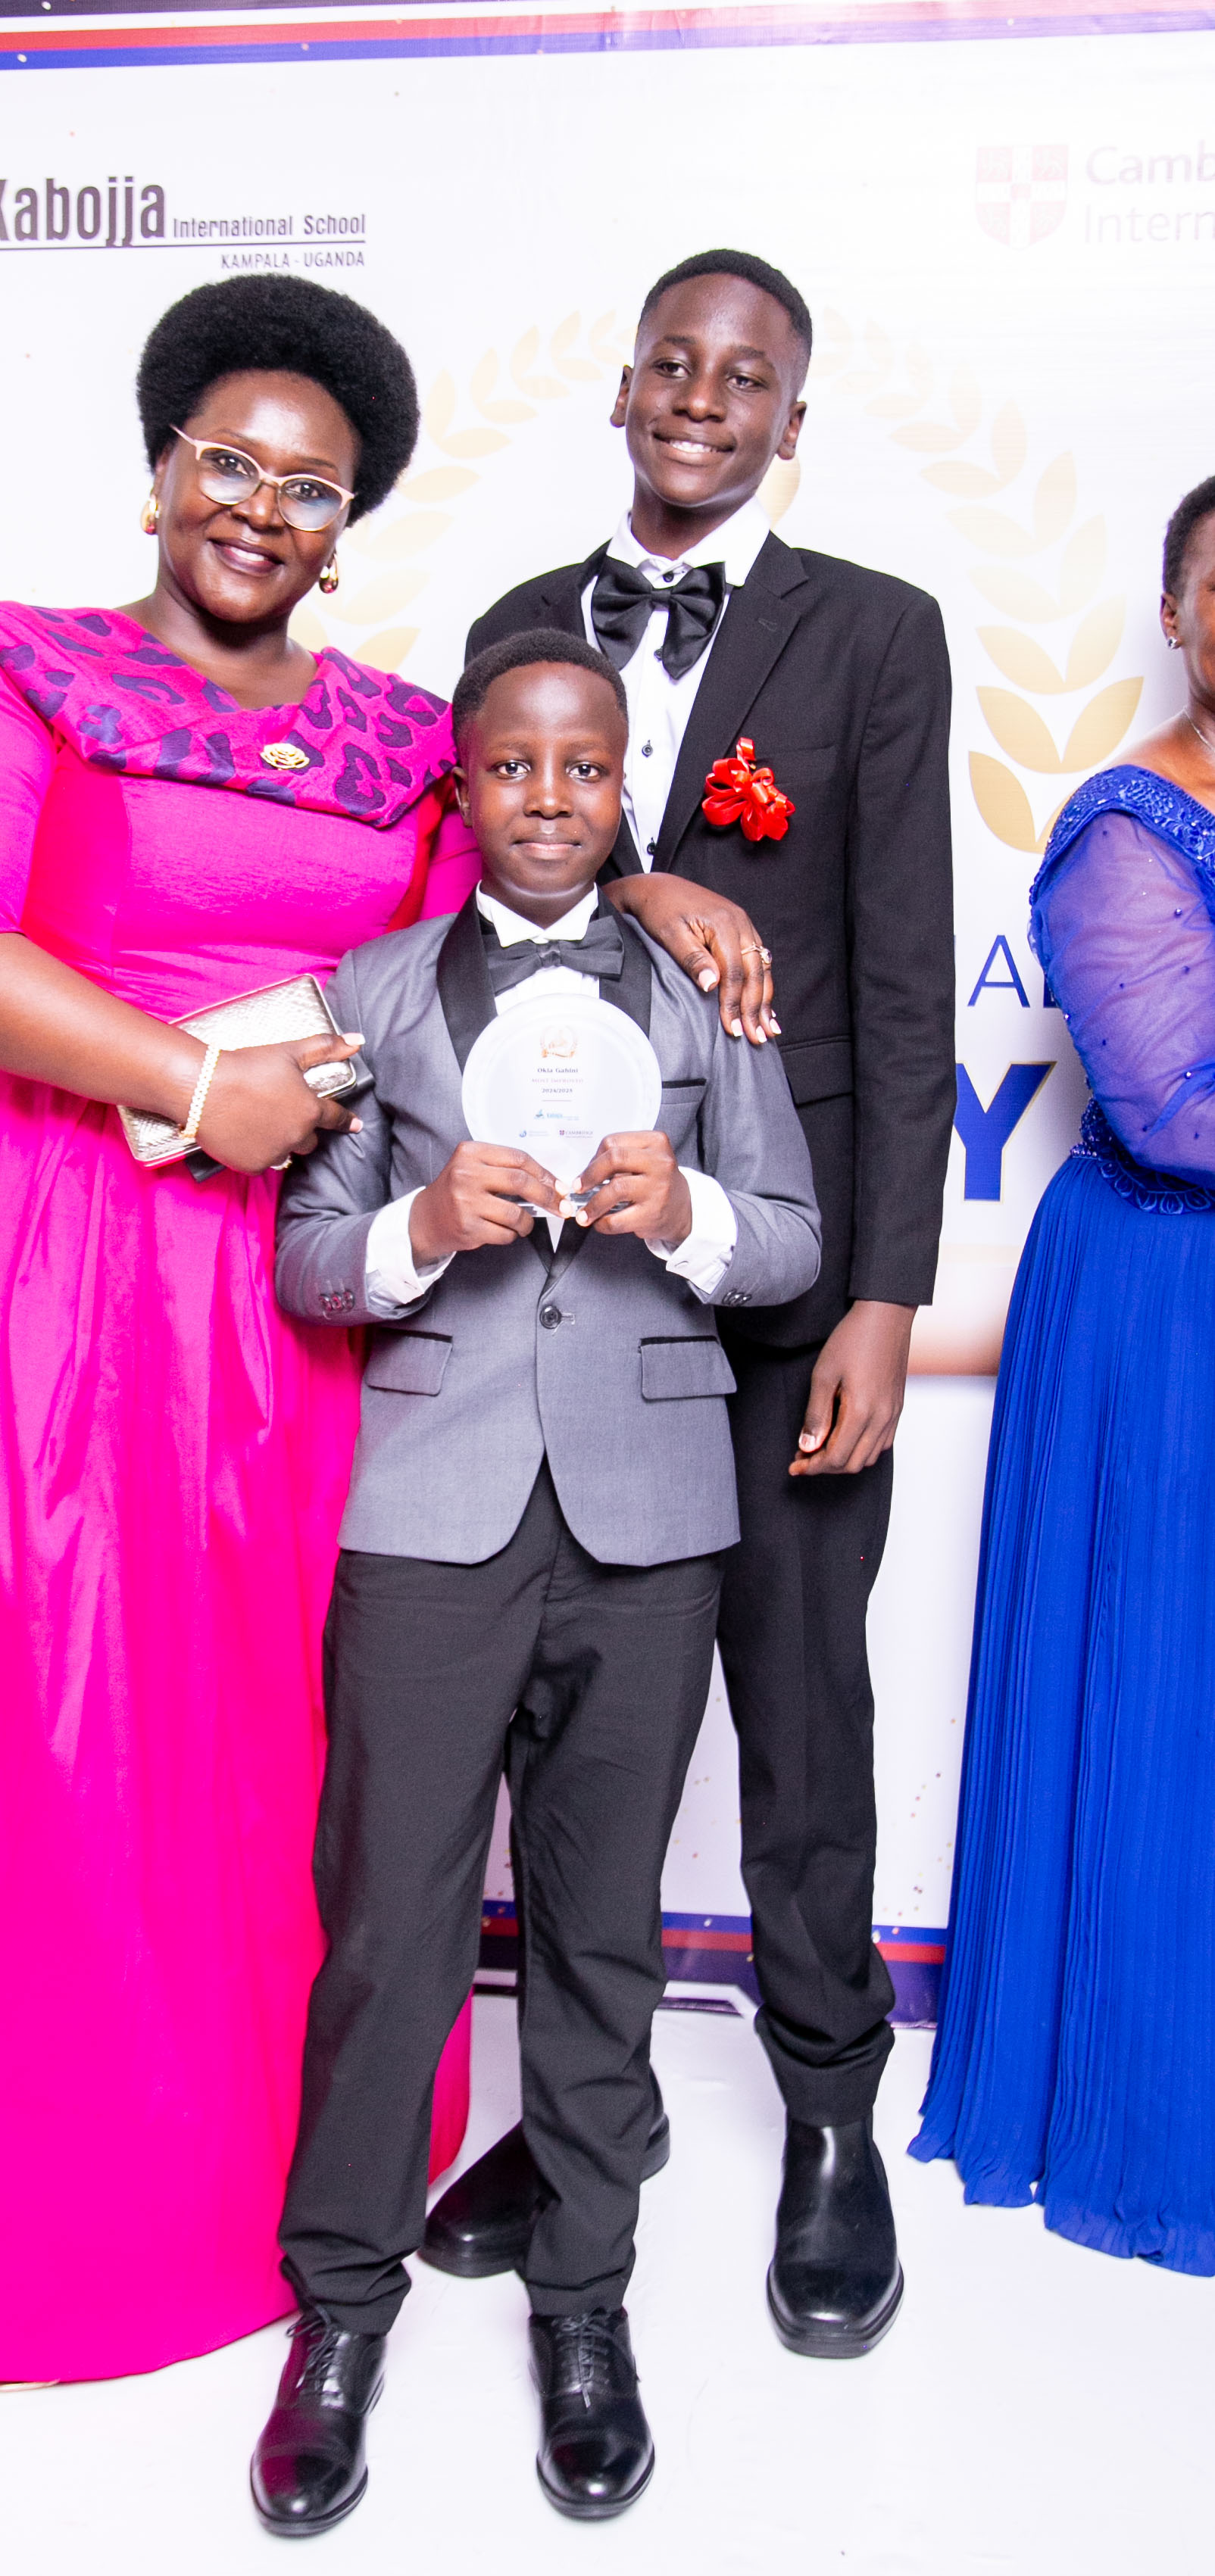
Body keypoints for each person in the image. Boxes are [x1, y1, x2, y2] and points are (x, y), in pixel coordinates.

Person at [0, 274, 779, 2388]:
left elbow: (511, 898)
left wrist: (654, 886)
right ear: (159, 472)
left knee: (279, 1742)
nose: (258, 505)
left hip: (296, 1287)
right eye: (225, 463)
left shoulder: (404, 739)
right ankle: (66, 2203)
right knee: (61, 1723)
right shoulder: (15, 672)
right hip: (37, 1262)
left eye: (307, 487)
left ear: (345, 529)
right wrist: (184, 1081)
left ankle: (281, 2187)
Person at [424, 249, 957, 2356]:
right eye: (672, 361)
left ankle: (829, 2116)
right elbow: (469, 920)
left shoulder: (877, 632)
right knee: (587, 1727)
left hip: (787, 1266)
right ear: (623, 385)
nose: (701, 399)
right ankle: (585, 2119)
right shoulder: (513, 630)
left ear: (789, 420)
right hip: (566, 1275)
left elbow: (903, 986)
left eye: (746, 377)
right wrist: (641, 871)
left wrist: (886, 1292)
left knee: (800, 1711)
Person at [249, 635, 820, 2533]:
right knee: (387, 1935)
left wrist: (696, 1214)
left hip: (652, 1523)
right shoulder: (373, 989)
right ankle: (340, 2314)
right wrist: (419, 1224)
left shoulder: (707, 980)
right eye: (515, 767)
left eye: (586, 768)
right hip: (429, 1520)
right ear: (466, 785)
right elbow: (307, 1257)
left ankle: (585, 2304)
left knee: (600, 1939)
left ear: (621, 783)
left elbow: (792, 1241)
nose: (552, 799)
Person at [910, 479, 1215, 2275]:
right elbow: (1177, 1106)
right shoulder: (1128, 822)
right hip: (1169, 1309)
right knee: (1168, 1709)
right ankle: (1148, 2104)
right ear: (1178, 610)